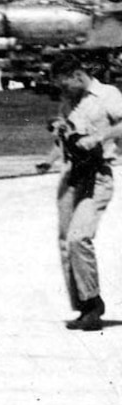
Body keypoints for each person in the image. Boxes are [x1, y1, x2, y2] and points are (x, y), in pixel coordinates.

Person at [42, 57, 122, 331]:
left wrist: (100, 138)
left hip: (97, 176)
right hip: (70, 175)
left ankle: (93, 302)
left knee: (79, 238)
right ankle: (85, 308)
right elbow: (64, 137)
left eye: (64, 84)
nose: (62, 91)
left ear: (77, 75)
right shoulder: (69, 101)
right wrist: (50, 158)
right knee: (66, 242)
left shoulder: (108, 95)